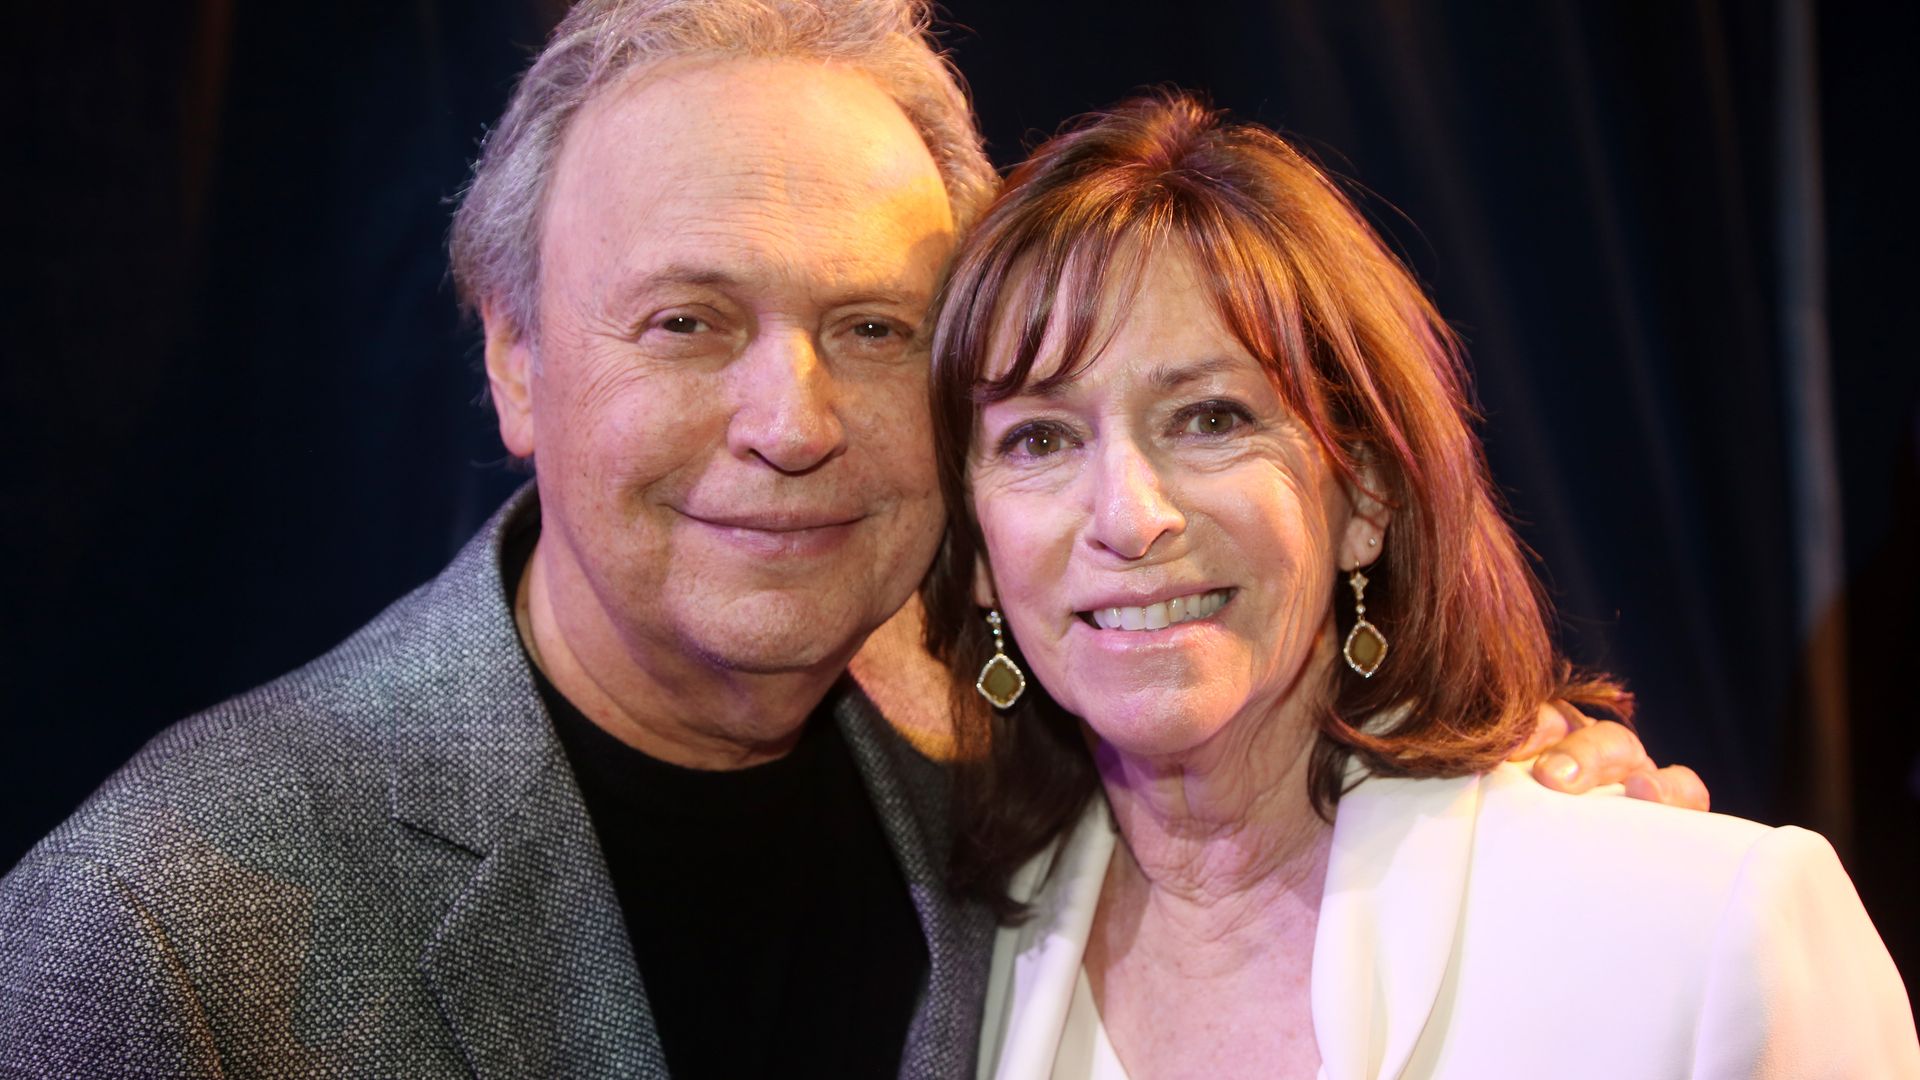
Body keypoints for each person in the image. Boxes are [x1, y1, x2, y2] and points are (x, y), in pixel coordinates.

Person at [0, 3, 1704, 1076]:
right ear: (515, 360)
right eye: (684, 324)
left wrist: (1520, 802)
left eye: (877, 332)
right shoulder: (162, 925)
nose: (792, 420)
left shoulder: (1019, 754)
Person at [923, 92, 1919, 1079]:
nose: (1129, 516)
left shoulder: (1702, 935)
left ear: (1365, 497)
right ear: (973, 555)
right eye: (1039, 439)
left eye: (1211, 418)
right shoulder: (943, 967)